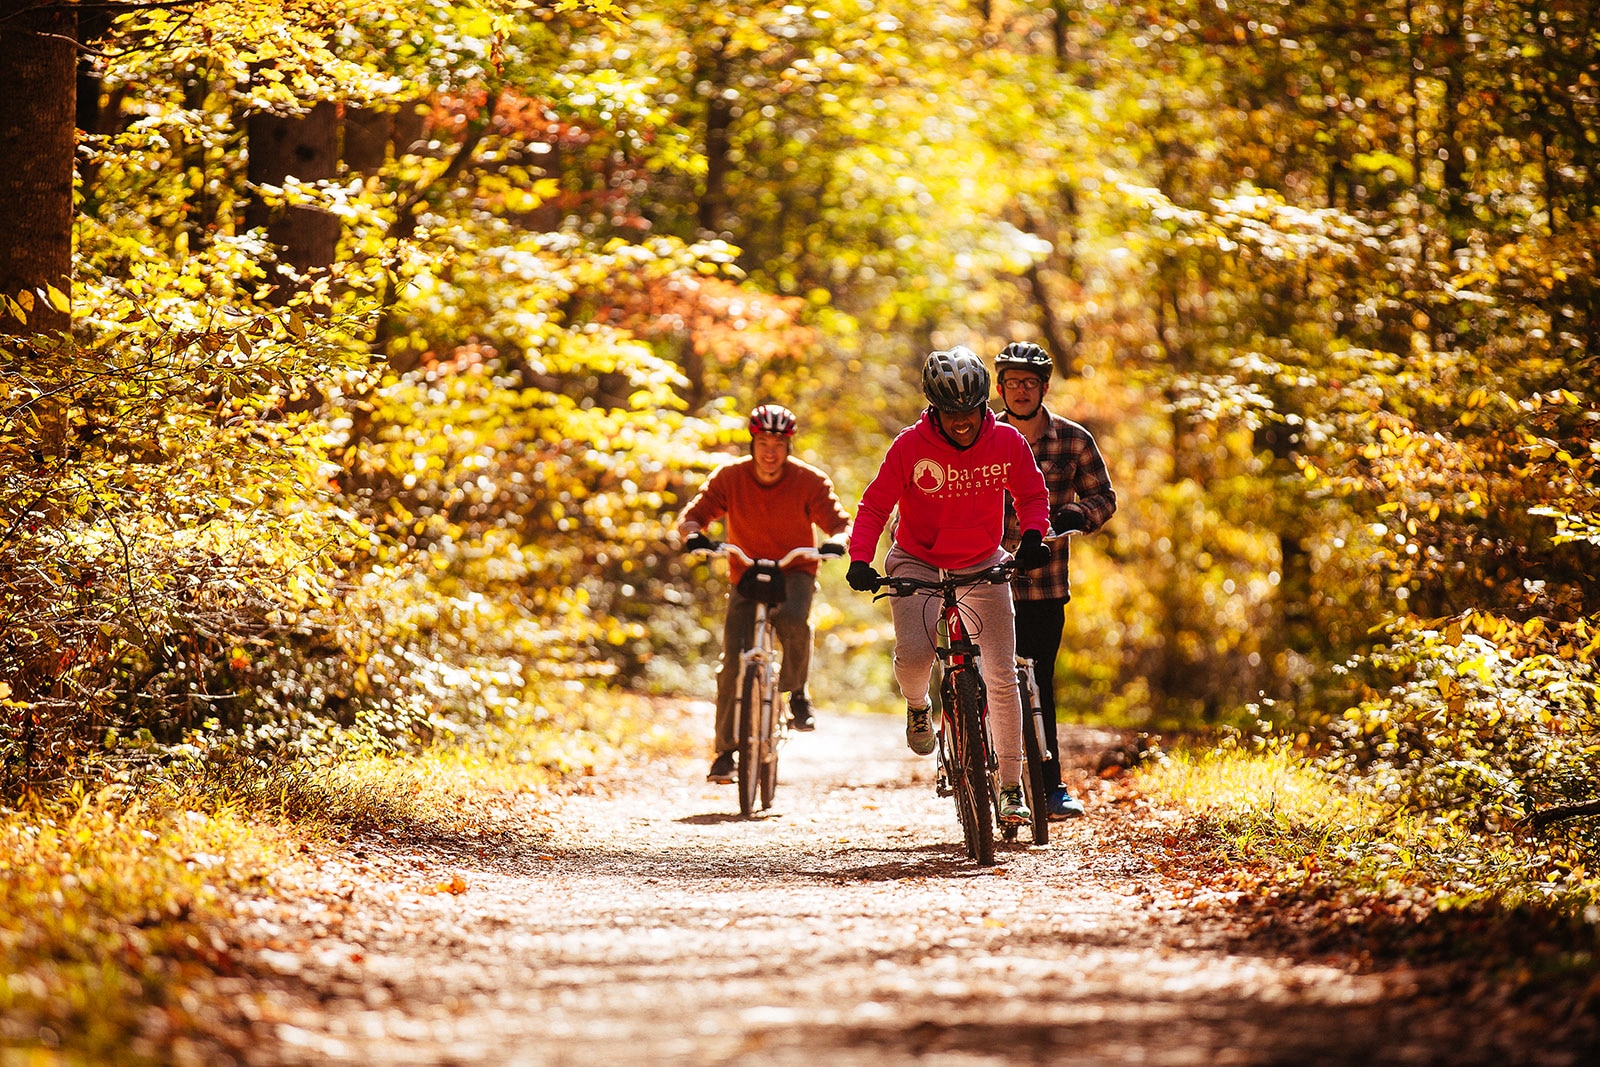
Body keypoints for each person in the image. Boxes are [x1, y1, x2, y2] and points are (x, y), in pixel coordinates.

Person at [845, 346, 1053, 825]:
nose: (961, 421)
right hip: (916, 562)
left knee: (1002, 675)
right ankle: (918, 707)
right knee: (916, 656)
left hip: (982, 563)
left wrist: (1035, 535)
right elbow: (874, 506)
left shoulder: (1006, 442)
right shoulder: (909, 446)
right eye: (950, 411)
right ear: (934, 407)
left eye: (970, 409)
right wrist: (860, 559)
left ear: (985, 401)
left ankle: (1010, 788)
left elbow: (1031, 494)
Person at [678, 404, 852, 784]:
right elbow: (695, 515)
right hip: (747, 571)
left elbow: (839, 523)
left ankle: (796, 693)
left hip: (795, 570)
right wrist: (693, 534)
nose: (770, 451)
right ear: (752, 443)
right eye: (762, 442)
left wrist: (837, 542)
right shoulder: (730, 477)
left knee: (792, 620)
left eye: (778, 442)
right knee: (732, 666)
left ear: (789, 446)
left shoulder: (809, 481)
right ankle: (725, 753)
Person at [993, 341, 1117, 819]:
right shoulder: (983, 438)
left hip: (1045, 582)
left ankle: (1050, 788)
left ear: (1043, 388)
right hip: (986, 577)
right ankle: (994, 777)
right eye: (1012, 383)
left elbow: (1105, 497)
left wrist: (1076, 514)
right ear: (1000, 388)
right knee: (990, 681)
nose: (1021, 391)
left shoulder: (1073, 440)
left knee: (1037, 681)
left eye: (1029, 383)